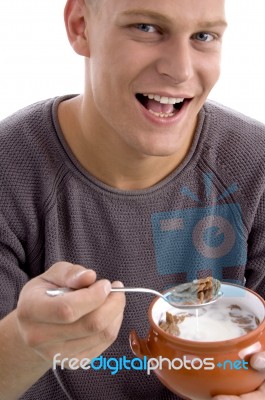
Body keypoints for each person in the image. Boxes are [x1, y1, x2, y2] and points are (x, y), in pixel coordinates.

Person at [0, 0, 265, 399]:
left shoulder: (254, 165)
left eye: (203, 36)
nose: (180, 69)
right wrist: (24, 342)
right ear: (80, 26)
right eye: (146, 28)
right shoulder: (10, 174)